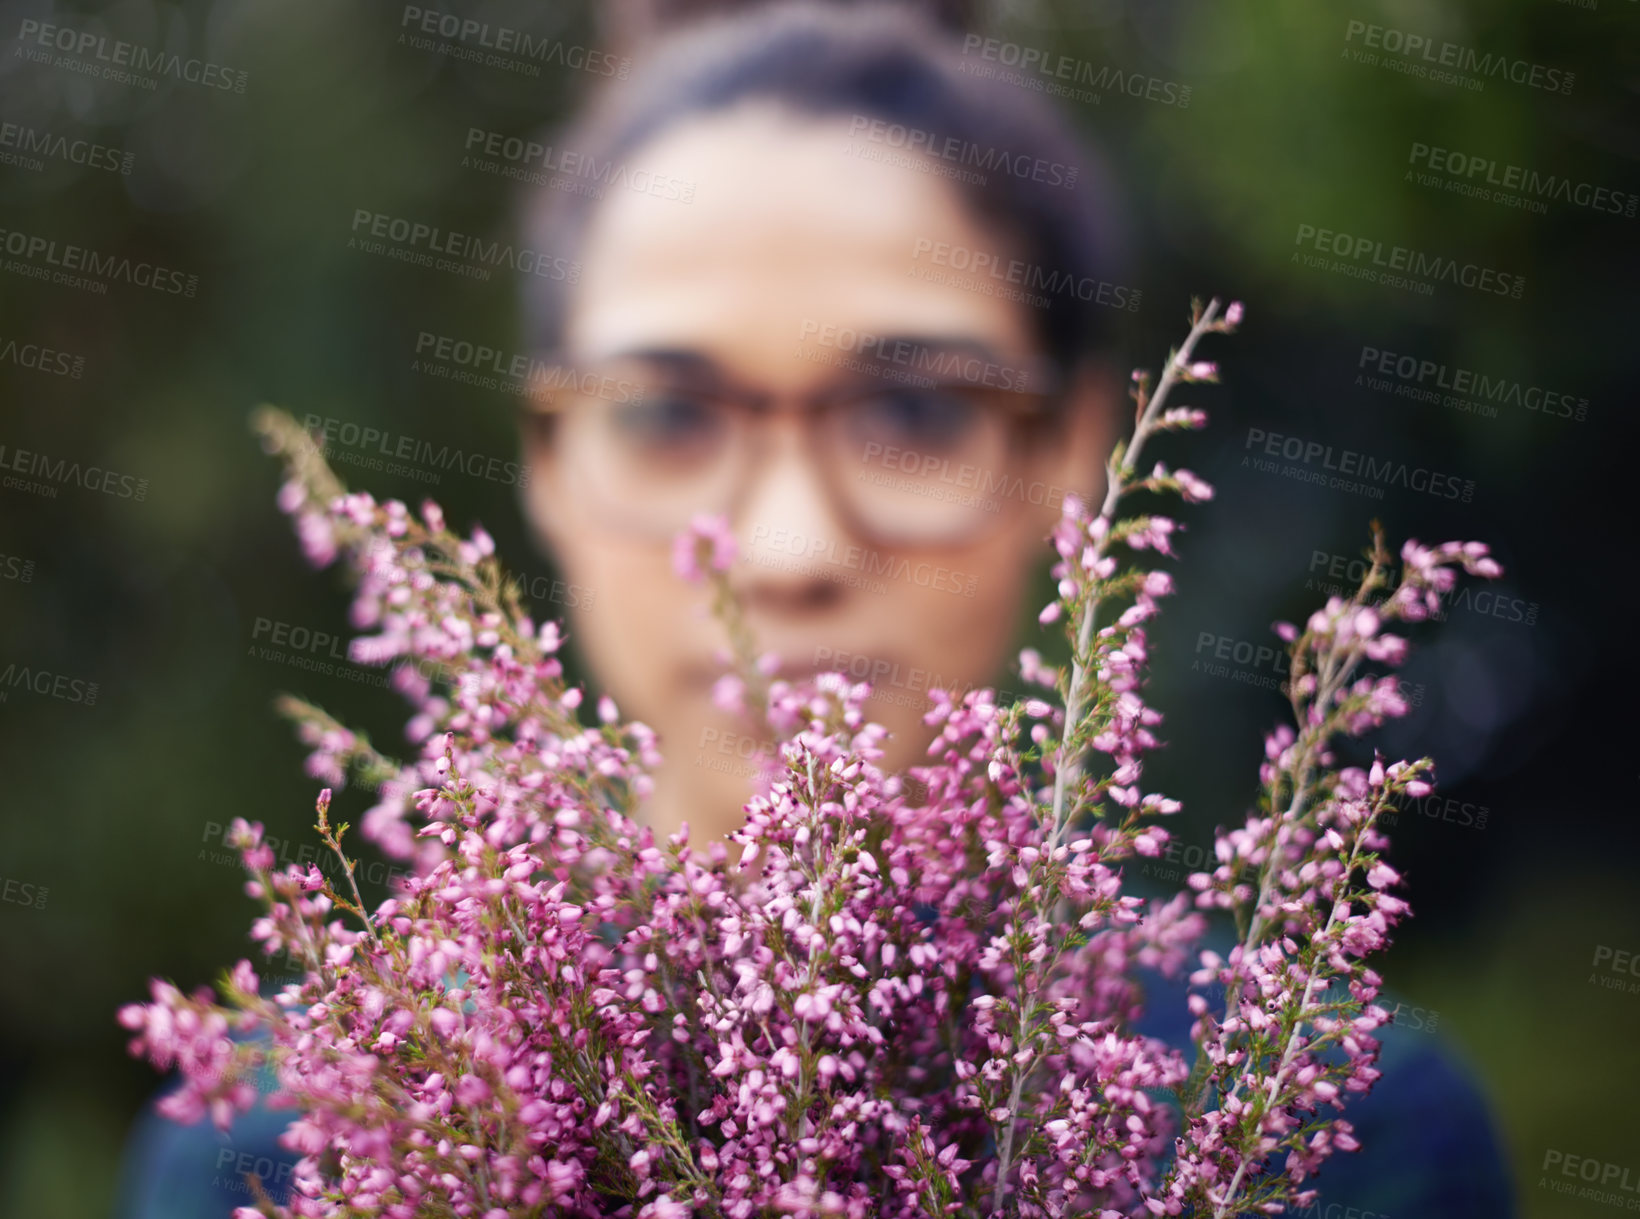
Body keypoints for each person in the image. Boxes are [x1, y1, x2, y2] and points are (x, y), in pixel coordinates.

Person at [113, 3, 1515, 1215]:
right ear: (545, 463)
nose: (783, 547)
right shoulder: (291, 1138)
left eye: (910, 407)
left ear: (1080, 455)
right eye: (667, 410)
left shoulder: (1337, 1121)